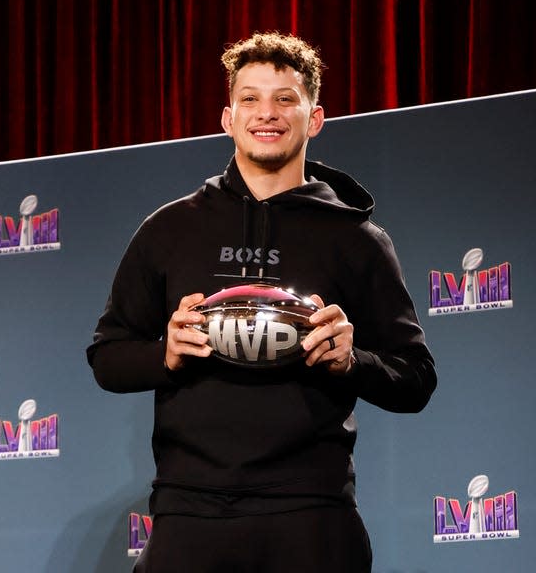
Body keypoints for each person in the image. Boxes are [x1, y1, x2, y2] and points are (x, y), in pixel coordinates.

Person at [87, 32, 436, 573]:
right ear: (228, 118)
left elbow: (415, 380)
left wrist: (352, 361)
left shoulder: (357, 238)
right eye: (249, 98)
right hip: (190, 510)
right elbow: (107, 358)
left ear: (314, 118)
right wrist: (166, 355)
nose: (265, 113)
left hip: (311, 512)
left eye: (284, 98)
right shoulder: (170, 229)